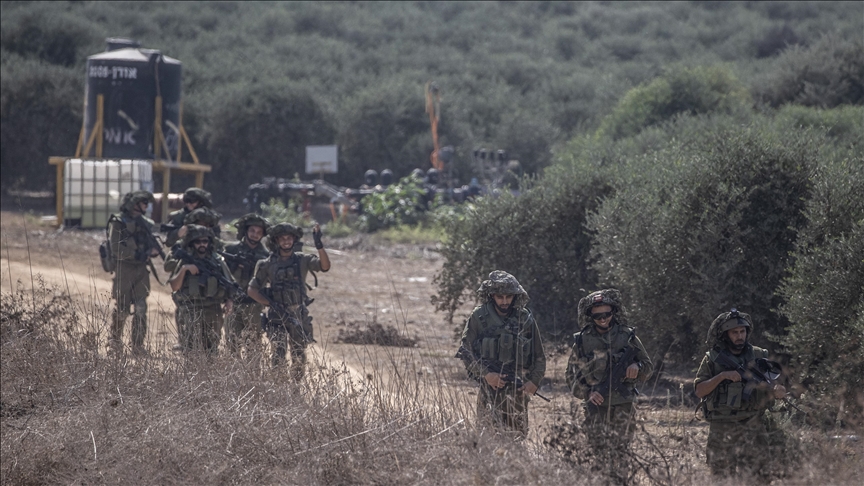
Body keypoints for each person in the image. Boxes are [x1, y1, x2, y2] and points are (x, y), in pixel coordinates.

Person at [565, 289, 653, 483]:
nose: (603, 319)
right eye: (598, 316)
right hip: (595, 409)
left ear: (614, 312)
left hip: (623, 406)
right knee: (598, 456)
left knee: (621, 454)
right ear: (590, 316)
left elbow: (649, 367)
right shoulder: (582, 340)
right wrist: (587, 392)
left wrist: (637, 367)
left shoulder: (627, 336)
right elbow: (570, 376)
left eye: (607, 314)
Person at [695, 309, 788, 479]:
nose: (739, 336)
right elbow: (700, 390)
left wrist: (778, 391)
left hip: (753, 424)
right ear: (726, 335)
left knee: (758, 477)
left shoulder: (759, 355)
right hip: (722, 426)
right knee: (722, 477)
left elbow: (773, 383)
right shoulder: (713, 358)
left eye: (742, 331)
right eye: (734, 332)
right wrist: (722, 376)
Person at [456, 270, 546, 437]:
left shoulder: (525, 318)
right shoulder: (479, 317)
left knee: (516, 438)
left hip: (517, 391)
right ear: (492, 296)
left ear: (515, 296)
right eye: (500, 297)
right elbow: (466, 352)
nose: (504, 301)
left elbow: (539, 356)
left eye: (508, 297)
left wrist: (534, 381)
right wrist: (487, 374)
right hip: (488, 389)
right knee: (487, 437)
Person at [247, 222, 330, 379]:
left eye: (289, 238)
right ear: (276, 241)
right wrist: (269, 303)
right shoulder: (267, 264)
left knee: (299, 353)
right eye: (282, 238)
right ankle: (279, 386)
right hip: (277, 316)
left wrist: (319, 244)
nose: (286, 241)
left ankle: (296, 387)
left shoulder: (302, 259)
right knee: (278, 353)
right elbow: (252, 290)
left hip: (298, 313)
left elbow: (325, 266)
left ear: (294, 240)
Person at [166, 225, 236, 354]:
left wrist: (229, 300)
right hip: (190, 310)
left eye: (205, 241)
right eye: (198, 242)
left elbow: (230, 283)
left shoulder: (217, 261)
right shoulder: (184, 261)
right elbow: (174, 286)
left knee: (212, 349)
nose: (202, 244)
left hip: (213, 309)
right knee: (190, 348)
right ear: (192, 243)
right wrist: (185, 269)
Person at [108, 190, 161, 354]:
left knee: (141, 307)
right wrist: (136, 254)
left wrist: (151, 251)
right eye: (144, 203)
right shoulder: (118, 222)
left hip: (141, 270)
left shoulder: (145, 223)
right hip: (125, 268)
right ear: (134, 204)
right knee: (122, 309)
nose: (146, 206)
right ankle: (115, 342)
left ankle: (137, 345)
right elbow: (116, 248)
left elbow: (150, 243)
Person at [223, 214, 271, 353]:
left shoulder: (266, 256)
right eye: (252, 231)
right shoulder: (231, 251)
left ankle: (253, 369)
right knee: (232, 345)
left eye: (259, 232)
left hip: (254, 306)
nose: (255, 235)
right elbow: (223, 276)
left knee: (253, 346)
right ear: (245, 231)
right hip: (233, 303)